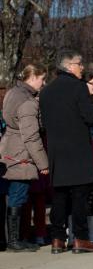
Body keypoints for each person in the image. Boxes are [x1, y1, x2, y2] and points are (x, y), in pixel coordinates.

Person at [40, 50, 93, 254]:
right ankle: (80, 238)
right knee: (79, 197)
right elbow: (91, 117)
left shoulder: (47, 90)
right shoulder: (78, 87)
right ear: (68, 66)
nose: (82, 66)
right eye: (79, 63)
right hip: (78, 149)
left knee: (59, 197)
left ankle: (57, 239)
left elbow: (45, 122)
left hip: (57, 149)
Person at [0, 64, 48, 252]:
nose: (43, 83)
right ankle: (14, 240)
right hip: (21, 153)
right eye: (42, 79)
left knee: (11, 196)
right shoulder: (28, 101)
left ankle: (13, 238)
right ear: (33, 77)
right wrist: (42, 163)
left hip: (8, 147)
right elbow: (31, 136)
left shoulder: (13, 92)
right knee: (18, 196)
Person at [67, 73, 93, 246]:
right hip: (76, 152)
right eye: (92, 83)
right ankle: (73, 234)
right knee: (73, 196)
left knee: (90, 195)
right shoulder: (74, 101)